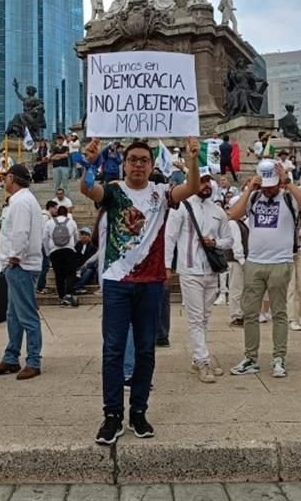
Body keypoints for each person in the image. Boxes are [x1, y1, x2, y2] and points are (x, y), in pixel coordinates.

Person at [79, 136, 201, 445]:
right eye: (132, 159)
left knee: (146, 350)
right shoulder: (114, 191)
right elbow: (87, 189)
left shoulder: (161, 193)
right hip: (117, 281)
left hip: (150, 283)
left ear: (151, 165)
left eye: (143, 160)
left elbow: (190, 189)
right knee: (113, 350)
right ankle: (112, 415)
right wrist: (90, 164)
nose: (137, 164)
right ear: (124, 163)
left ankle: (138, 411)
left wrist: (193, 159)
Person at [227, 159, 301, 378]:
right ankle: (251, 357)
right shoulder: (255, 197)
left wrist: (288, 182)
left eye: (272, 185)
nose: (269, 189)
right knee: (250, 313)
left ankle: (279, 357)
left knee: (279, 312)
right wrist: (249, 189)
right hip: (255, 261)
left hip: (280, 261)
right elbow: (233, 214)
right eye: (266, 186)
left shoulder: (287, 197)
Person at [164, 167, 232, 384]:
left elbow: (228, 240)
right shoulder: (182, 206)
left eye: (208, 182)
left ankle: (198, 357)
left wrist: (216, 243)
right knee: (195, 317)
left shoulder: (217, 211)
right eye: (201, 181)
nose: (205, 186)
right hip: (189, 268)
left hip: (211, 269)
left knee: (204, 316)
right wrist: (166, 266)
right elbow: (170, 237)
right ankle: (202, 360)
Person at [0, 164, 44, 380]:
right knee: (13, 314)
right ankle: (11, 356)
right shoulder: (22, 200)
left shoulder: (21, 201)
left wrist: (15, 256)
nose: (4, 182)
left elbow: (21, 232)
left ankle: (33, 360)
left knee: (26, 315)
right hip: (19, 263)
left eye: (5, 178)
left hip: (21, 264)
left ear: (12, 178)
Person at [43, 205, 79, 307]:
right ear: (67, 214)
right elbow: (76, 236)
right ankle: (69, 294)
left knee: (59, 275)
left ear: (57, 213)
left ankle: (61, 297)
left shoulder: (49, 223)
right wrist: (73, 247)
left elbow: (44, 238)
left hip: (55, 252)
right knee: (71, 273)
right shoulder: (71, 222)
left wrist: (47, 252)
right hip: (69, 250)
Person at [72, 227, 98, 295]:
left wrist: (84, 266)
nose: (84, 236)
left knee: (89, 271)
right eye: (82, 234)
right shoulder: (77, 245)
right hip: (77, 267)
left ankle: (76, 287)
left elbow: (93, 260)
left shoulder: (93, 246)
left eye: (86, 235)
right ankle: (76, 286)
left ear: (89, 236)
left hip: (88, 268)